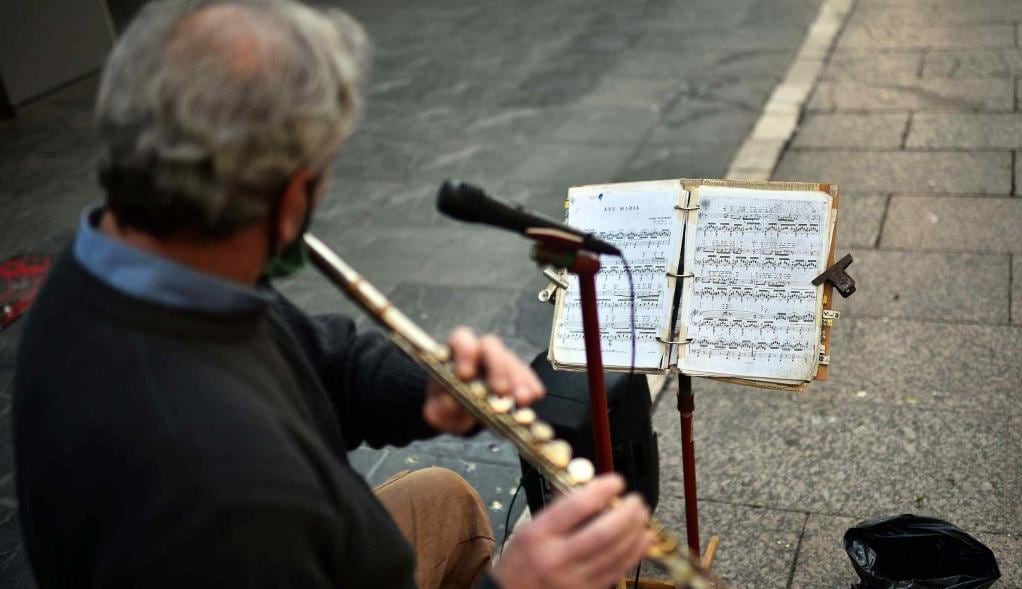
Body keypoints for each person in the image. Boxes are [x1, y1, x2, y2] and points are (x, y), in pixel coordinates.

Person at [12, 1, 655, 588]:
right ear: (291, 199)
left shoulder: (137, 256)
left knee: (447, 498)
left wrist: (428, 390)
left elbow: (317, 360)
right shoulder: (220, 498)